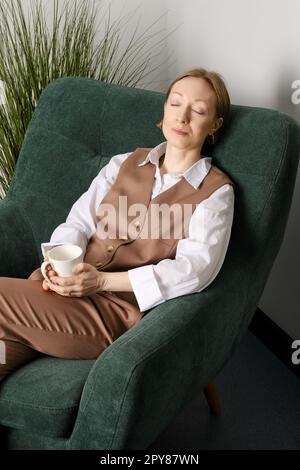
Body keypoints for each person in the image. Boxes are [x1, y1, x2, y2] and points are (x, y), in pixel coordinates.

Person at [0, 68, 234, 380]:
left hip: (114, 315)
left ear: (214, 125)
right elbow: (79, 222)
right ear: (164, 111)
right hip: (59, 294)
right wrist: (59, 262)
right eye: (175, 104)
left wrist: (101, 282)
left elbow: (194, 271)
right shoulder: (122, 164)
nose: (183, 117)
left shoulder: (216, 193)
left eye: (199, 110)